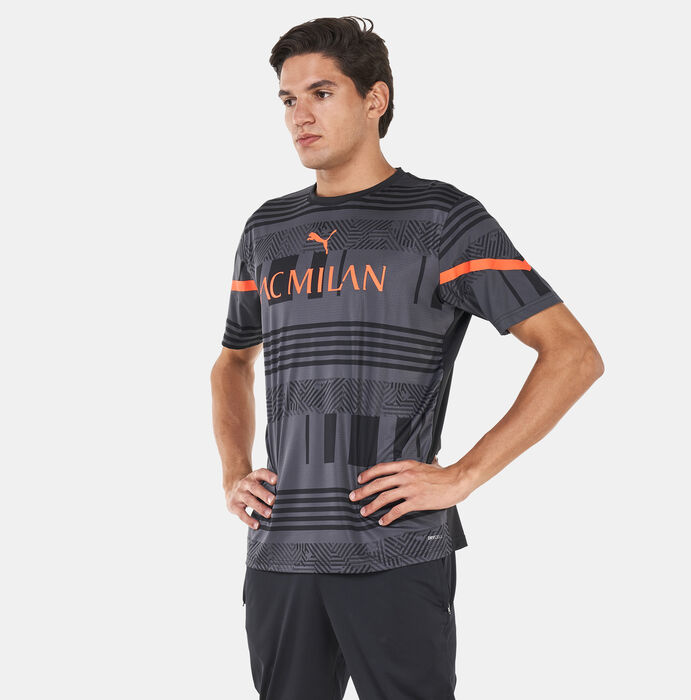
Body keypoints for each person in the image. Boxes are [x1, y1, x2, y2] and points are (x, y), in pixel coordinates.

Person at [210, 15, 604, 700]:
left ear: (376, 99)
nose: (300, 115)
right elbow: (232, 362)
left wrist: (463, 476)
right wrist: (233, 472)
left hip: (393, 544)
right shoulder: (268, 228)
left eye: (322, 93)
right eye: (288, 99)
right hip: (280, 548)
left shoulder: (441, 219)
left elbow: (572, 354)